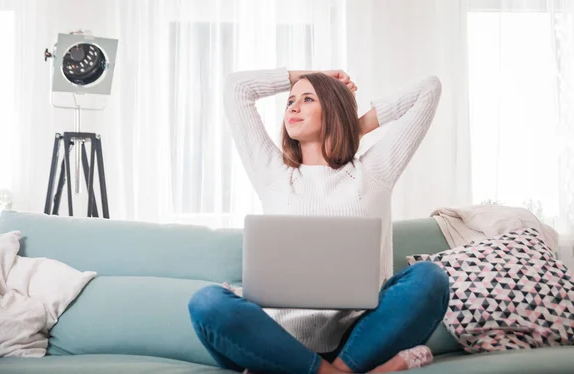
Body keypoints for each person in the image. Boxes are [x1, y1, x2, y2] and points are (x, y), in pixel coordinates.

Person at [188, 67, 450, 374]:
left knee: (430, 278)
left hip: (357, 342)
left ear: (334, 110)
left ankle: (332, 369)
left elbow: (428, 89)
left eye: (308, 99)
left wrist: (355, 126)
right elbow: (237, 87)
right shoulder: (273, 175)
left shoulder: (372, 174)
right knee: (206, 302)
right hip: (275, 343)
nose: (294, 107)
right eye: (290, 101)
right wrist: (308, 74)